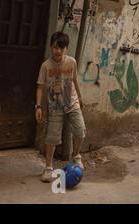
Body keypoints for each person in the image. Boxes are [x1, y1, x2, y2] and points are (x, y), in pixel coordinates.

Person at [35, 32, 86, 183]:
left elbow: (75, 80)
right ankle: (48, 168)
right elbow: (39, 87)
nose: (58, 51)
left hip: (72, 103)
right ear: (51, 47)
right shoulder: (46, 66)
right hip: (55, 106)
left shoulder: (72, 62)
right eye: (55, 47)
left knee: (80, 131)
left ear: (66, 49)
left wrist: (80, 98)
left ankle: (76, 156)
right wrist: (38, 106)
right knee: (52, 138)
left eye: (61, 48)